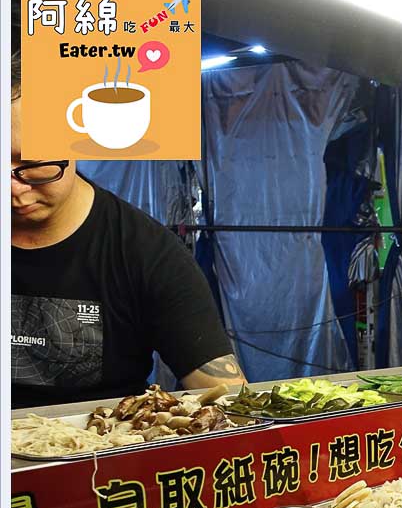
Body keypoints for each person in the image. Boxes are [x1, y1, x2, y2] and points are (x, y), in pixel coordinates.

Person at [9, 51, 245, 409]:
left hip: (97, 454)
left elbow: (224, 395)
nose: (14, 188)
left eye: (33, 165)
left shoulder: (146, 253)